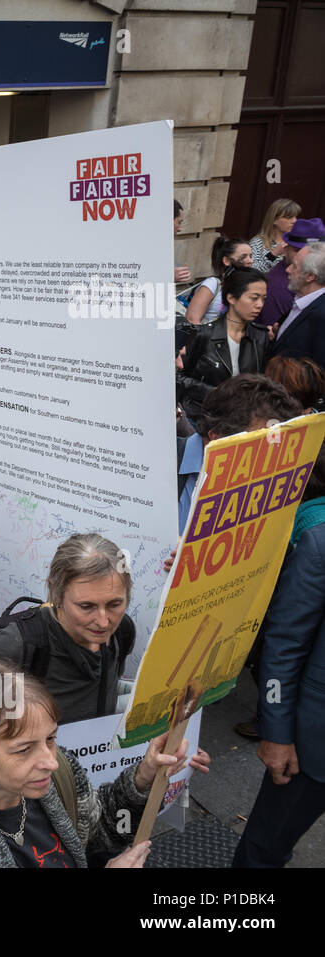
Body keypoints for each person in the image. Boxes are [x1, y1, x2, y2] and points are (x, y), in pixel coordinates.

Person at [0, 661, 206, 868]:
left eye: (50, 738)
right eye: (23, 750)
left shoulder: (60, 768)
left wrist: (144, 776)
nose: (49, 760)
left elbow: (100, 828)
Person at [232, 481, 325, 866]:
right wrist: (277, 733)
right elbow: (283, 647)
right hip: (312, 749)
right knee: (264, 849)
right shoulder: (319, 544)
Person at [0, 534, 137, 723]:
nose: (103, 623)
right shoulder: (17, 645)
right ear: (57, 595)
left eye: (114, 604)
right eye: (86, 606)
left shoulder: (122, 632)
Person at [178, 374, 303, 532]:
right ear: (216, 438)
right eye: (259, 444)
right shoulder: (159, 465)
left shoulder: (274, 485)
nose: (271, 455)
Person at [177, 267, 270, 422]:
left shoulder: (261, 337)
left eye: (264, 299)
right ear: (231, 298)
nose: (260, 305)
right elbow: (179, 377)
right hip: (203, 418)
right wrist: (214, 392)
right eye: (254, 298)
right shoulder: (203, 335)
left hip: (242, 420)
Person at [270, 236, 325, 368]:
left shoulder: (321, 315)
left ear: (310, 276)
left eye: (294, 266)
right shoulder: (302, 300)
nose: (288, 269)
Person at [185, 236, 253, 326]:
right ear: (227, 261)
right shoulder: (212, 284)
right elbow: (192, 320)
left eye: (250, 256)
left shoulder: (247, 286)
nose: (251, 261)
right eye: (243, 256)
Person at [249, 198, 301, 273]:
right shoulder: (258, 243)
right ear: (274, 220)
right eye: (289, 217)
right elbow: (251, 272)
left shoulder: (298, 242)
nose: (294, 221)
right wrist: (273, 254)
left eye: (295, 217)